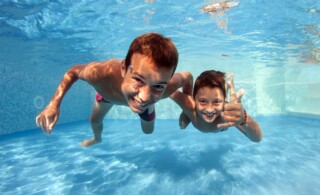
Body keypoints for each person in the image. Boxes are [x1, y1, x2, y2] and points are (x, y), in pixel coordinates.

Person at [36, 32, 193, 147]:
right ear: (124, 69)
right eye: (138, 79)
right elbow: (73, 71)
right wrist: (54, 104)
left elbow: (188, 77)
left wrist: (187, 111)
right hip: (107, 95)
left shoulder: (167, 87)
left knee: (148, 132)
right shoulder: (101, 75)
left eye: (158, 86)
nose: (144, 97)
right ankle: (97, 139)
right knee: (94, 120)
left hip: (143, 108)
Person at [170, 70, 262, 142]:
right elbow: (168, 88)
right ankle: (225, 88)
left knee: (225, 94)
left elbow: (257, 138)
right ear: (194, 99)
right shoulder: (189, 104)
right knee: (184, 119)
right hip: (192, 108)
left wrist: (244, 119)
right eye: (203, 101)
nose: (209, 110)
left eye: (216, 102)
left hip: (222, 127)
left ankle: (230, 84)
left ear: (223, 101)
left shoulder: (227, 112)